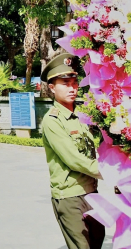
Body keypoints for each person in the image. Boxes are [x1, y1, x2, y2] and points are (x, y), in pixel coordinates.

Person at [40, 53, 104, 249]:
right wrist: (110, 172)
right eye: (65, 83)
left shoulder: (83, 116)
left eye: (75, 82)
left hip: (92, 192)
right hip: (70, 198)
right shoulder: (52, 120)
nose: (72, 88)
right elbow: (75, 160)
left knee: (96, 242)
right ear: (52, 87)